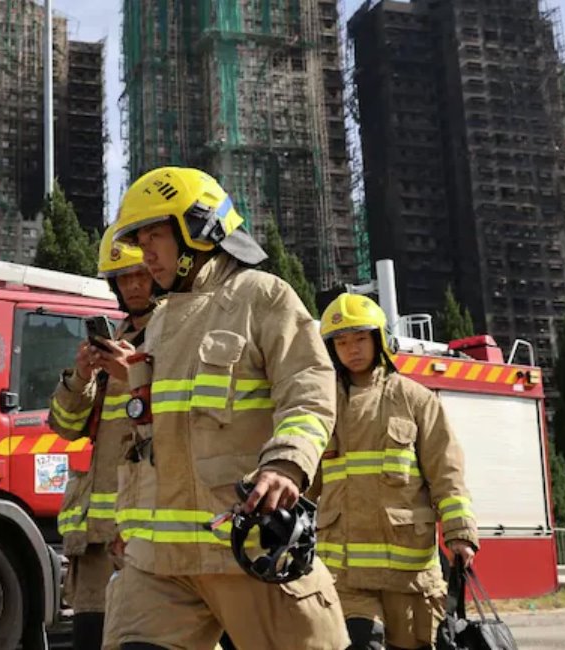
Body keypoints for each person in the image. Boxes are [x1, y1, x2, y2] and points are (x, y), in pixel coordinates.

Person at [100, 166, 349, 649]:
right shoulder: (160, 322)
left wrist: (285, 463)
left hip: (248, 545)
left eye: (155, 235)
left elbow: (309, 386)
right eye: (141, 238)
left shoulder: (262, 295)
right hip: (159, 564)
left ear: (199, 229)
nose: (144, 252)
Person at [313, 293, 479, 650]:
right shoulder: (322, 407)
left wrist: (460, 534)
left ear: (379, 339)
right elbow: (304, 480)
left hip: (408, 572)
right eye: (341, 342)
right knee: (360, 643)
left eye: (359, 339)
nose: (351, 349)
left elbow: (446, 474)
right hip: (343, 573)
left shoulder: (416, 400)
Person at [49, 229, 160, 650]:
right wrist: (81, 374)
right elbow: (63, 424)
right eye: (122, 278)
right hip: (97, 535)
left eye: (140, 274)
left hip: (148, 529)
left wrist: (133, 374)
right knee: (90, 638)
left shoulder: (172, 336)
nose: (133, 285)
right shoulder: (114, 341)